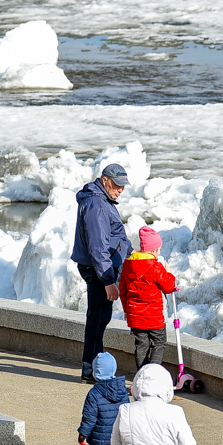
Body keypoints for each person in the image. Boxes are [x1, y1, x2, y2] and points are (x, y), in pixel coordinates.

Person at [71, 163, 133, 383]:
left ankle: (95, 368)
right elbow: (98, 247)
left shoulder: (102, 199)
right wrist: (108, 281)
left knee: (101, 317)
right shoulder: (97, 204)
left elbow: (115, 236)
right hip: (99, 269)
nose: (120, 190)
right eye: (117, 185)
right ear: (105, 180)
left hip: (102, 267)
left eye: (123, 186)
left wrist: (132, 255)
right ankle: (91, 371)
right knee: (98, 318)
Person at [118, 225, 177, 369]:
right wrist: (168, 271)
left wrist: (127, 310)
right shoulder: (155, 267)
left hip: (135, 316)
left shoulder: (128, 264)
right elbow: (169, 287)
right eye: (159, 249)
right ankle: (153, 374)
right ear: (154, 250)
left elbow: (123, 290)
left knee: (141, 346)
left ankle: (142, 375)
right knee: (158, 343)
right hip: (154, 317)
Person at [77, 352, 129, 445]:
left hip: (97, 436)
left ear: (95, 373)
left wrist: (83, 434)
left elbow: (89, 418)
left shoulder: (94, 393)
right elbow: (126, 413)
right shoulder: (122, 391)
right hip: (115, 434)